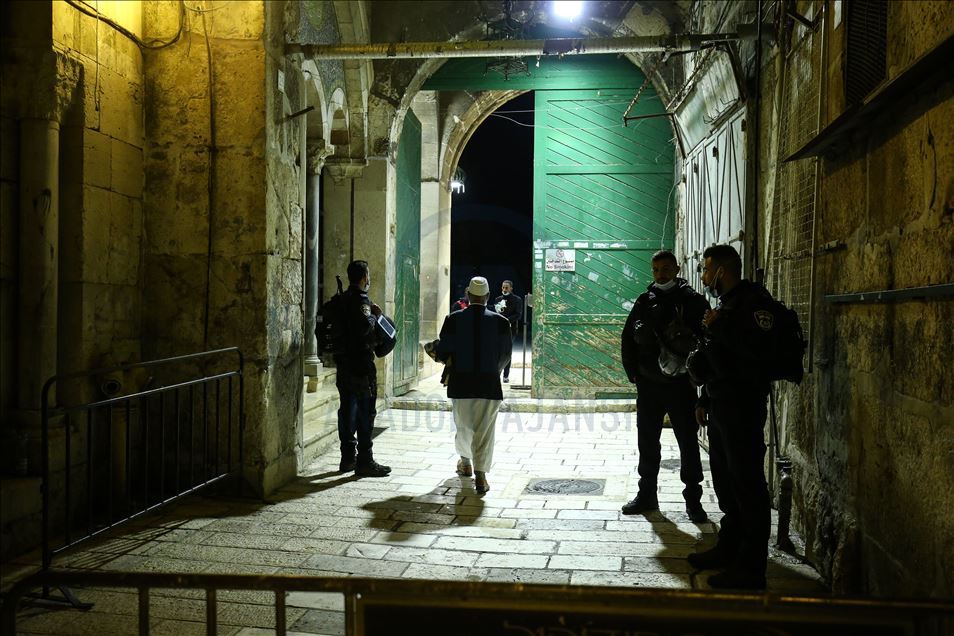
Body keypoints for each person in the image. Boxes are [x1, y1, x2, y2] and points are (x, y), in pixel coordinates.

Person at [685, 244, 778, 590]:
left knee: (748, 487)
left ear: (721, 271)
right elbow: (716, 358)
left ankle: (752, 569)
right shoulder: (725, 306)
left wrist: (721, 326)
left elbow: (752, 356)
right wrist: (704, 399)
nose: (703, 276)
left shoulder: (754, 305)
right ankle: (730, 548)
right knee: (726, 484)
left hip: (743, 407)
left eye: (706, 270)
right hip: (721, 404)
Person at [620, 250, 710, 523]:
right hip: (649, 386)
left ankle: (693, 501)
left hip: (681, 386)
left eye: (666, 269)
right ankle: (647, 495)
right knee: (647, 442)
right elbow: (627, 337)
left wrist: (700, 381)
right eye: (656, 270)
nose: (661, 275)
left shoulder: (693, 302)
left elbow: (707, 343)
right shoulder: (644, 301)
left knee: (688, 443)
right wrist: (632, 372)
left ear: (677, 269)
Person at [436, 276, 512, 494]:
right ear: (487, 296)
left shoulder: (453, 319)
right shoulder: (501, 322)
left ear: (468, 295)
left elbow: (443, 352)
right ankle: (480, 476)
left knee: (463, 427)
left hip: (461, 383)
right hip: (489, 384)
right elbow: (506, 355)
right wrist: (493, 371)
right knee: (485, 431)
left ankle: (466, 463)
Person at [334, 260, 391, 478]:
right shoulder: (361, 301)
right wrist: (376, 315)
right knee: (366, 412)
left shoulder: (340, 300)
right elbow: (366, 329)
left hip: (343, 365)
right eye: (368, 275)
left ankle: (347, 457)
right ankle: (365, 460)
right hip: (361, 366)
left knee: (347, 410)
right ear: (364, 277)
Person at [492, 280, 523, 383]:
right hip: (498, 330)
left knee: (507, 352)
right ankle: (497, 373)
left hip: (511, 330)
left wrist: (506, 320)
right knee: (497, 351)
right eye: (503, 287)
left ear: (511, 288)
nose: (504, 289)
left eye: (506, 287)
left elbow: (518, 314)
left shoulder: (517, 300)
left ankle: (506, 375)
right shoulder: (498, 299)